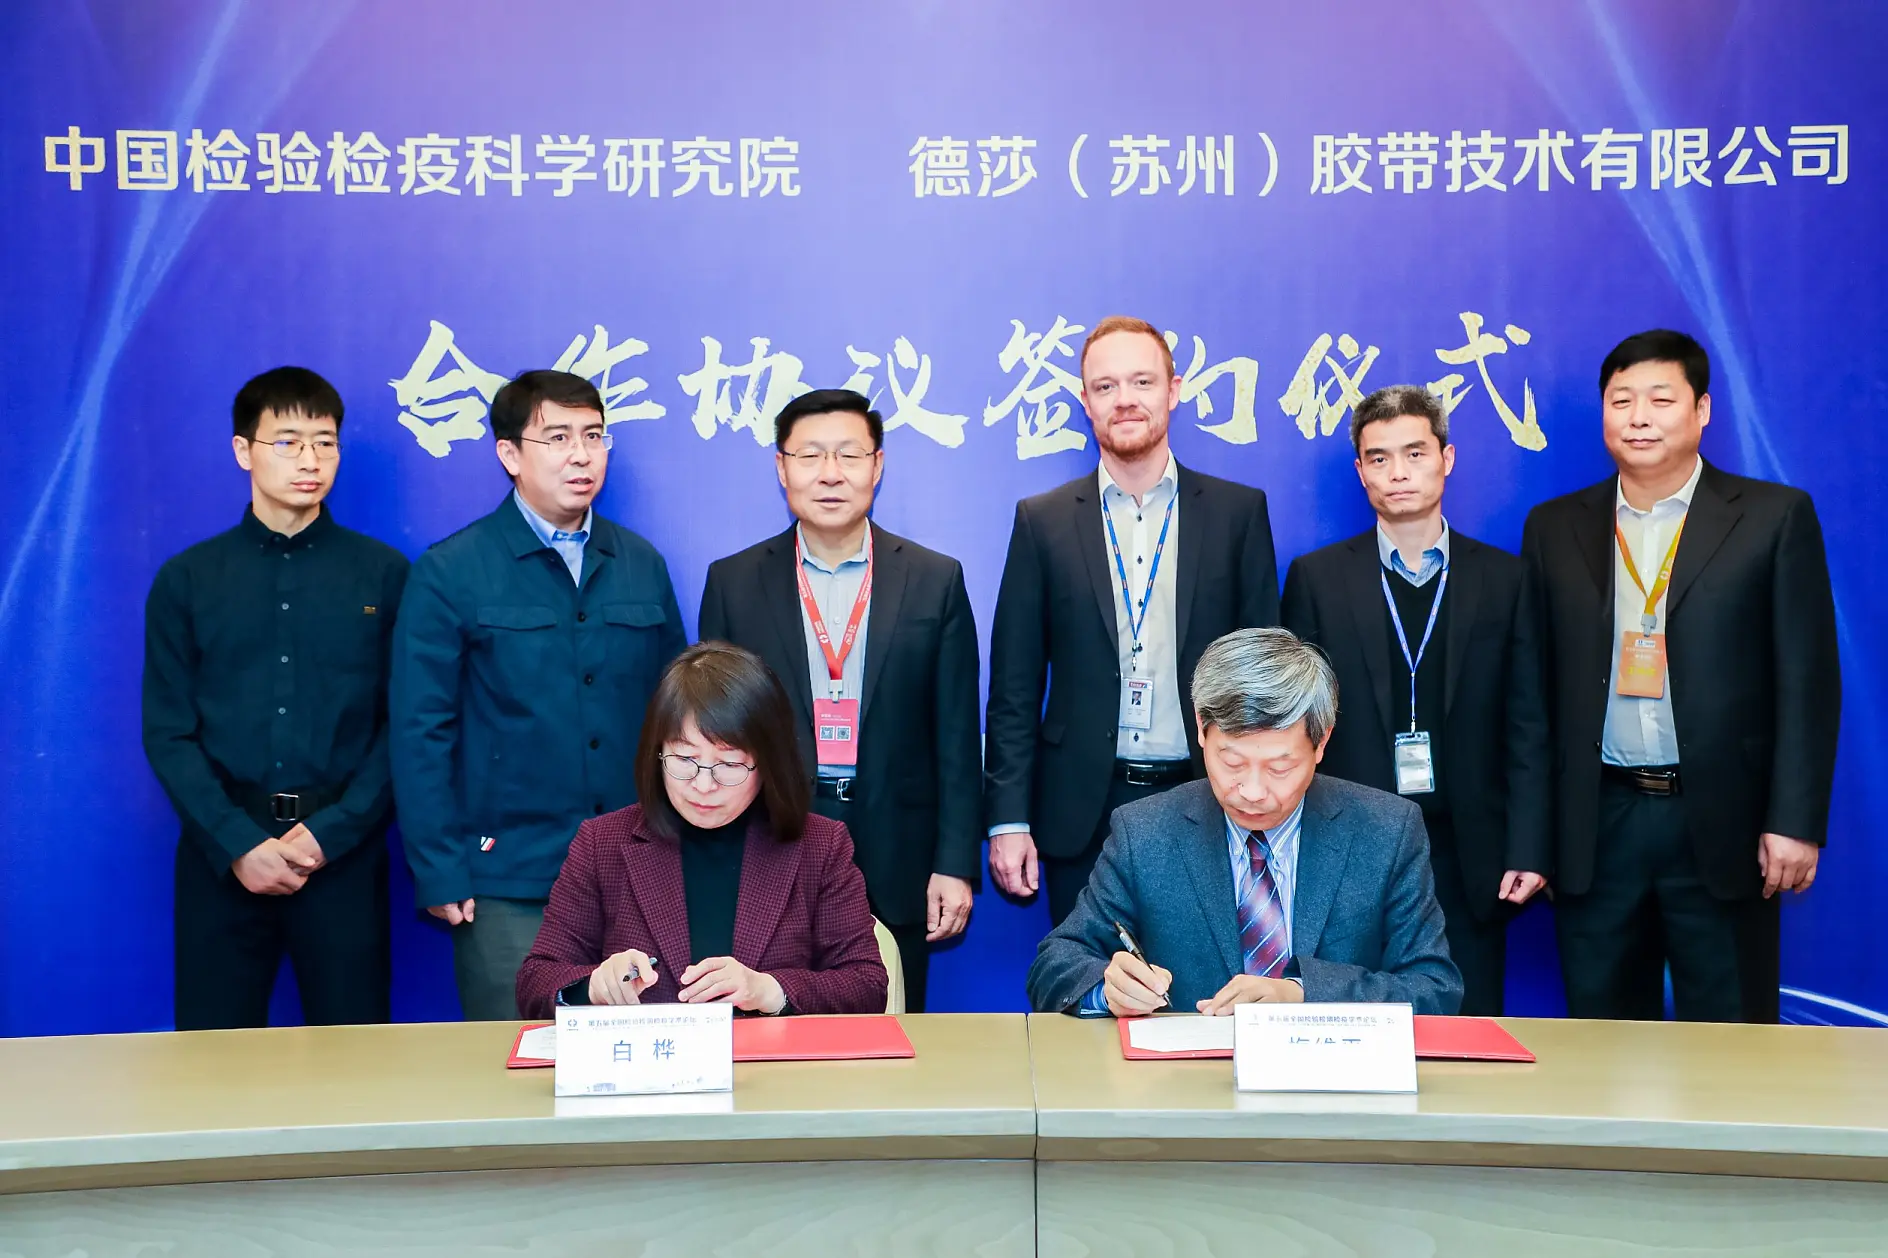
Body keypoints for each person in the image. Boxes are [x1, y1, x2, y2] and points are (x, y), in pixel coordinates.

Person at [1511, 330, 1839, 1023]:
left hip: (1723, 820)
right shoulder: (1554, 527)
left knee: (1734, 1038)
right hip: (1598, 823)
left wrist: (1794, 820)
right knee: (1603, 1038)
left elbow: (1807, 682)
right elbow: (1531, 696)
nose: (1639, 418)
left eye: (1660, 400)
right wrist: (1535, 838)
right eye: (1621, 400)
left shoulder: (1772, 517)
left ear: (1702, 410)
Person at [392, 370, 686, 1020]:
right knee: (519, 1055)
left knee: (642, 1059)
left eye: (593, 436)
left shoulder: (641, 564)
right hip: (509, 876)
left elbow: (678, 715)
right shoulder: (451, 570)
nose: (580, 455)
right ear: (510, 454)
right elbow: (420, 732)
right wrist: (439, 866)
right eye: (558, 437)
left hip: (638, 869)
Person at [985, 315, 1280, 926]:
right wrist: (1008, 818)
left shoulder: (1237, 514)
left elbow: (1264, 678)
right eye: (1106, 386)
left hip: (1208, 796)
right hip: (1081, 807)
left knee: (1203, 977)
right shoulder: (1043, 521)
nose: (1125, 400)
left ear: (1173, 390)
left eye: (1142, 382)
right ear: (1085, 401)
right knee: (1086, 977)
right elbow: (1014, 687)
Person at [697, 389, 980, 1011]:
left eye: (850, 455)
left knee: (894, 1022)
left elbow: (957, 737)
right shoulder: (734, 583)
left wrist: (955, 861)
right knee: (769, 1021)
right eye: (811, 456)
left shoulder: (934, 580)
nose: (831, 473)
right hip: (771, 838)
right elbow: (715, 735)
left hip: (900, 846)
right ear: (782, 467)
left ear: (877, 466)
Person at [143, 367, 407, 1029]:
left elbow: (404, 724)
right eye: (287, 442)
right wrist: (237, 842)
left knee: (357, 1059)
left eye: (325, 443)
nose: (310, 461)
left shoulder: (384, 574)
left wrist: (332, 832)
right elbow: (168, 732)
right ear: (244, 450)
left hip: (342, 854)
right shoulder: (188, 579)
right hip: (223, 854)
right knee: (212, 1059)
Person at [1028, 627, 1463, 1017]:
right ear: (1201, 729)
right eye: (1232, 763)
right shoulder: (1145, 832)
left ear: (1322, 742)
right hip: (1185, 1078)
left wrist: (1301, 994)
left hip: (1333, 1075)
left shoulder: (1386, 831)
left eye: (1279, 767)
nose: (1252, 791)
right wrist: (1107, 989)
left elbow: (1433, 986)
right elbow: (1056, 963)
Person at [1280, 385, 1546, 1016]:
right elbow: (1293, 724)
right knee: (1349, 1025)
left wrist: (1529, 844)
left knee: (1467, 1028)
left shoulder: (1504, 579)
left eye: (1415, 454)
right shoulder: (1318, 579)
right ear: (1360, 471)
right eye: (1379, 458)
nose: (1398, 472)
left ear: (1446, 459)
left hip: (1471, 850)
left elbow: (1529, 722)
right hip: (1350, 846)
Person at [516, 643, 889, 1018]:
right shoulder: (603, 843)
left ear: (768, 765)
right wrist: (593, 985)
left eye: (729, 764)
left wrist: (770, 991)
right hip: (649, 1056)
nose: (704, 785)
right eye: (684, 759)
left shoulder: (820, 846)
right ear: (657, 753)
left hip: (771, 1055)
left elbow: (867, 984)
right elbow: (536, 981)